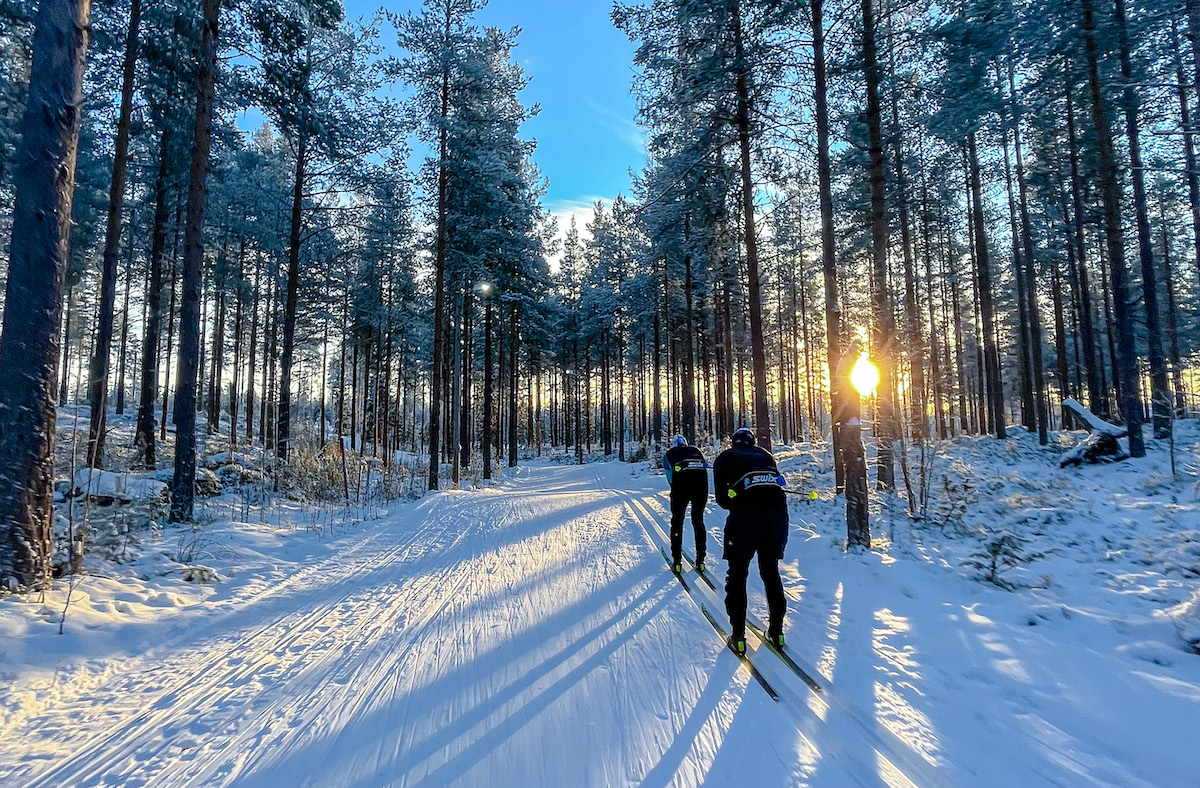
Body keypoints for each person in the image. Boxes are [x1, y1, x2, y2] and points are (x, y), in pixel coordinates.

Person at [713, 427, 788, 656]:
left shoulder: (725, 458)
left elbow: (723, 500)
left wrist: (736, 498)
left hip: (745, 520)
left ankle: (738, 636)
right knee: (770, 572)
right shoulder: (766, 456)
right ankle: (776, 632)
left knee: (737, 575)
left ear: (733, 442)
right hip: (777, 518)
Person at [663, 435, 709, 573]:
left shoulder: (669, 454)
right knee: (698, 521)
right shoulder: (696, 451)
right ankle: (701, 561)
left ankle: (677, 561)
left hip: (681, 488)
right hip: (701, 488)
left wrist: (676, 487)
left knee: (677, 521)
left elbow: (669, 477)